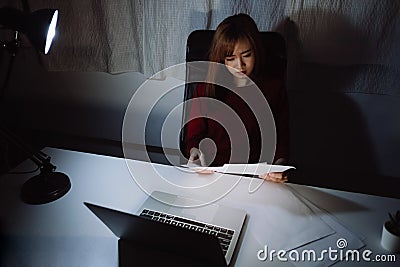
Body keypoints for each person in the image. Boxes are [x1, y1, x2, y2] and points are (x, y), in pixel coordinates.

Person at [185, 14, 289, 183]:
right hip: (212, 175)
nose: (240, 66)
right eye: (231, 59)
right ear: (221, 59)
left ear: (256, 51)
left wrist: (278, 167)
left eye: (246, 55)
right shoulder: (205, 89)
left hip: (256, 177)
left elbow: (281, 140)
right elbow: (193, 136)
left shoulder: (274, 90)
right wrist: (194, 153)